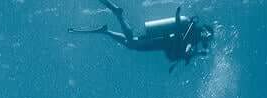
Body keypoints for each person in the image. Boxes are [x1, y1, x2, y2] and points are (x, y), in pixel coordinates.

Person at [69, 1, 213, 72]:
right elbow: (187, 47)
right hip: (159, 40)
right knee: (132, 41)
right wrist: (193, 52)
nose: (207, 38)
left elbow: (187, 49)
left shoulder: (193, 35)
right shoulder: (193, 34)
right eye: (208, 35)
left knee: (131, 44)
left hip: (160, 42)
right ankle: (118, 14)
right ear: (205, 31)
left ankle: (105, 31)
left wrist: (198, 53)